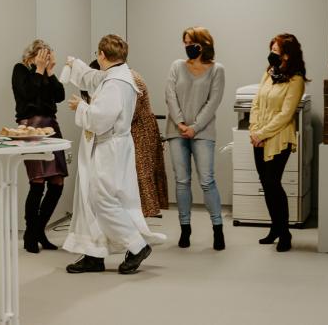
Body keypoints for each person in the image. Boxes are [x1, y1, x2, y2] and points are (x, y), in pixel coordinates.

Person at [62, 34, 166, 274]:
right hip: (115, 146)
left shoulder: (115, 83)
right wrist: (76, 65)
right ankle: (93, 254)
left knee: (102, 199)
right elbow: (93, 78)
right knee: (95, 198)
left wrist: (81, 107)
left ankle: (137, 246)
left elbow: (100, 120)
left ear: (101, 55)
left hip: (109, 148)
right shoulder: (118, 75)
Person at [165, 27, 225, 250]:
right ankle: (185, 228)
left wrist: (195, 127)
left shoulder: (217, 70)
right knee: (182, 181)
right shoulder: (176, 66)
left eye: (191, 42)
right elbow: (169, 95)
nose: (187, 46)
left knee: (207, 180)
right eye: (185, 42)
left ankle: (217, 228)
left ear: (203, 44)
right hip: (176, 130)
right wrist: (181, 123)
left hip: (203, 132)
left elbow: (214, 101)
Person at [84, 60, 169, 217]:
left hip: (139, 132)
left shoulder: (127, 80)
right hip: (138, 128)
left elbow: (125, 111)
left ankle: (135, 223)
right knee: (135, 178)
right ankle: (134, 221)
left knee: (136, 178)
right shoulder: (127, 76)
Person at [249, 33, 307, 252]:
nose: (271, 55)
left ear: (287, 54)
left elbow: (286, 114)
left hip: (278, 138)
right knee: (266, 184)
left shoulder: (296, 79)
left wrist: (262, 133)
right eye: (271, 50)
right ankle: (275, 228)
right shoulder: (268, 73)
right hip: (259, 137)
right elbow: (256, 102)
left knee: (274, 184)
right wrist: (254, 131)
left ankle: (285, 233)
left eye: (275, 51)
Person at [11, 39, 68, 253]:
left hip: (51, 127)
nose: (49, 59)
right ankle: (30, 233)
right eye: (46, 56)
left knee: (57, 181)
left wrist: (49, 73)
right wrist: (39, 70)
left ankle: (39, 230)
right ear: (34, 56)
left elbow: (60, 96)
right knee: (37, 181)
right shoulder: (20, 70)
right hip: (29, 128)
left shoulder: (46, 73)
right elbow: (26, 94)